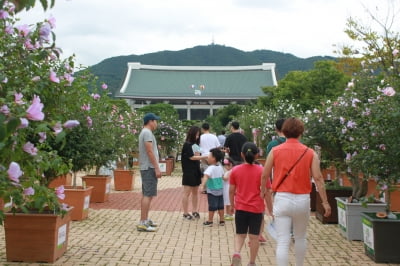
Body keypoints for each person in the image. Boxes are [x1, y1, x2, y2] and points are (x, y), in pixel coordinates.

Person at [261, 117, 331, 266]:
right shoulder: (310, 153)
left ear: (284, 132)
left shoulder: (275, 151)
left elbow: (265, 174)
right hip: (302, 199)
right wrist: (325, 202)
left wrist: (263, 192)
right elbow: (318, 178)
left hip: (282, 198)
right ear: (301, 132)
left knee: (283, 240)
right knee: (300, 237)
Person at [229, 142, 273, 266]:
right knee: (254, 237)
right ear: (257, 155)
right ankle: (252, 262)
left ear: (242, 155)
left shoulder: (235, 170)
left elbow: (231, 190)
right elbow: (267, 192)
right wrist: (271, 209)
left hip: (241, 207)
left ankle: (237, 252)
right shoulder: (262, 171)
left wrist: (232, 205)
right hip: (256, 209)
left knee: (240, 235)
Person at [137, 113, 162, 232]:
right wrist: (157, 168)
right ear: (150, 122)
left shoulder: (146, 132)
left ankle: (145, 219)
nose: (156, 123)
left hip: (147, 167)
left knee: (147, 194)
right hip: (149, 167)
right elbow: (149, 151)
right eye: (155, 121)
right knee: (148, 194)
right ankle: (143, 222)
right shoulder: (147, 133)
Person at [181, 126, 207, 220]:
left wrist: (200, 156)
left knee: (195, 192)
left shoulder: (195, 145)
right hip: (188, 171)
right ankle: (185, 212)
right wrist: (204, 157)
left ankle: (195, 211)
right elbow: (191, 157)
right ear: (192, 134)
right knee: (186, 192)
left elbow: (197, 155)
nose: (197, 136)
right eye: (196, 134)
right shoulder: (187, 144)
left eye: (198, 134)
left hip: (196, 170)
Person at [199, 148, 225, 227]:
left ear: (213, 158)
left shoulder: (210, 168)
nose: (207, 157)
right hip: (220, 189)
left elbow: (206, 177)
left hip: (212, 190)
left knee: (212, 206)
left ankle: (210, 221)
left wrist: (202, 185)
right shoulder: (220, 167)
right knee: (221, 206)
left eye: (209, 156)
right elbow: (223, 176)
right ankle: (222, 220)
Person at [199, 123, 220, 193]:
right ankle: (214, 186)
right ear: (209, 128)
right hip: (213, 156)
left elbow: (197, 148)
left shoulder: (200, 137)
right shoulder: (214, 137)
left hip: (204, 156)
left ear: (202, 129)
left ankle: (205, 188)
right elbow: (218, 147)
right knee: (213, 171)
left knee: (205, 172)